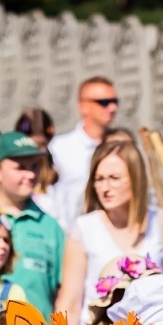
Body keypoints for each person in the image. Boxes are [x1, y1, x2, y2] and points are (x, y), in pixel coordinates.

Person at [57, 139, 163, 325]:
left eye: (114, 178)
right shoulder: (84, 228)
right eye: (99, 179)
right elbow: (70, 304)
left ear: (136, 178)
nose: (105, 188)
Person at [0, 131, 61, 318]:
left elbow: (63, 293)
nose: (30, 174)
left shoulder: (50, 227)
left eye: (35, 166)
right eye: (20, 167)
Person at [46, 78, 118, 228]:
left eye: (115, 101)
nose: (112, 108)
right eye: (104, 102)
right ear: (83, 106)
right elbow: (48, 197)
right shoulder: (59, 149)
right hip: (71, 237)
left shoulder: (121, 147)